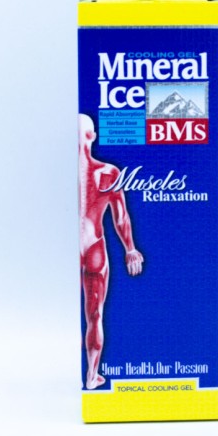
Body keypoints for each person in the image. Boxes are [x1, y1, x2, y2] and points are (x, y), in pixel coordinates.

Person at [78, 114, 144, 390]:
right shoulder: (107, 173)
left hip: (72, 246)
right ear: (92, 136)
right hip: (93, 247)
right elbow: (121, 217)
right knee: (94, 315)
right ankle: (91, 376)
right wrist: (130, 249)